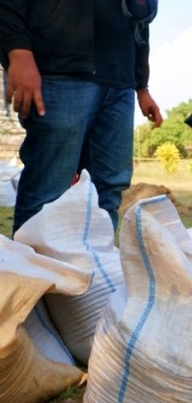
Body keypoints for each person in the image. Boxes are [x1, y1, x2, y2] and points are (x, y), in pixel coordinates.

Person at [1, 1, 163, 234]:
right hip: (60, 69)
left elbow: (140, 22)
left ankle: (91, 267)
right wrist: (18, 50)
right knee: (49, 187)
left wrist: (141, 86)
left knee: (107, 189)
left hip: (120, 81)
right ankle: (32, 269)